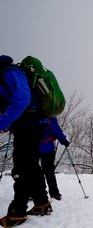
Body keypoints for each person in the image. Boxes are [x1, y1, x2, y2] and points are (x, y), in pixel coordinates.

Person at [0, 55, 52, 227]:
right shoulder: (8, 72)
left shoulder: (10, 72)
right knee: (31, 165)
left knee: (23, 167)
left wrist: (4, 121)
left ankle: (18, 212)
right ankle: (41, 204)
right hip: (28, 125)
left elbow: (21, 99)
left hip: (30, 125)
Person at [40, 117, 70, 201]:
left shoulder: (30, 114)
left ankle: (32, 192)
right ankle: (54, 193)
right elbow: (56, 130)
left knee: (33, 171)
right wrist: (63, 139)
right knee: (49, 171)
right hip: (48, 148)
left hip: (33, 147)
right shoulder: (50, 117)